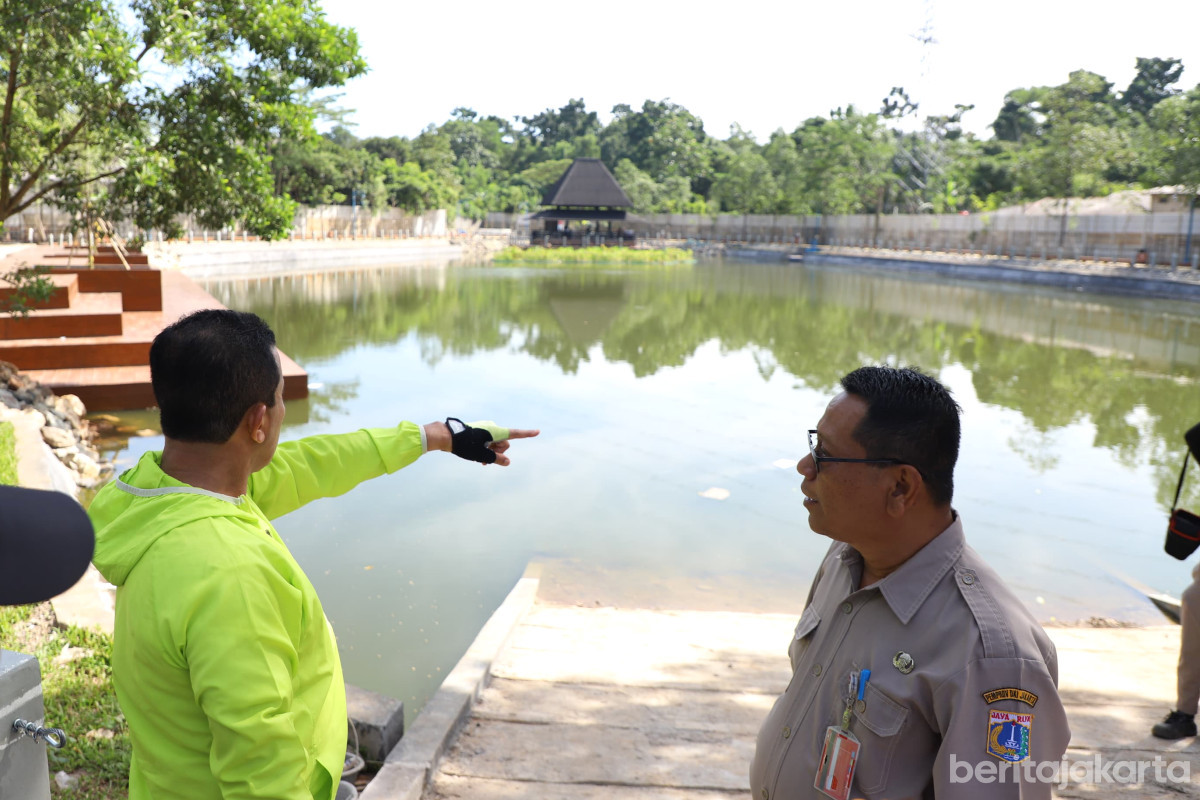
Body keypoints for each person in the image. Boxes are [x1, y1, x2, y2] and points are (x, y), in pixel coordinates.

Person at [89, 309, 537, 800]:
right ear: (258, 420)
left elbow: (317, 462)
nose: (283, 413)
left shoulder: (162, 493)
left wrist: (433, 438)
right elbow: (261, 769)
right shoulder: (228, 575)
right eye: (280, 401)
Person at [749, 365, 1070, 799]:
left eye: (825, 454)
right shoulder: (845, 557)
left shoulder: (991, 656)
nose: (805, 466)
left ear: (900, 487)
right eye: (812, 445)